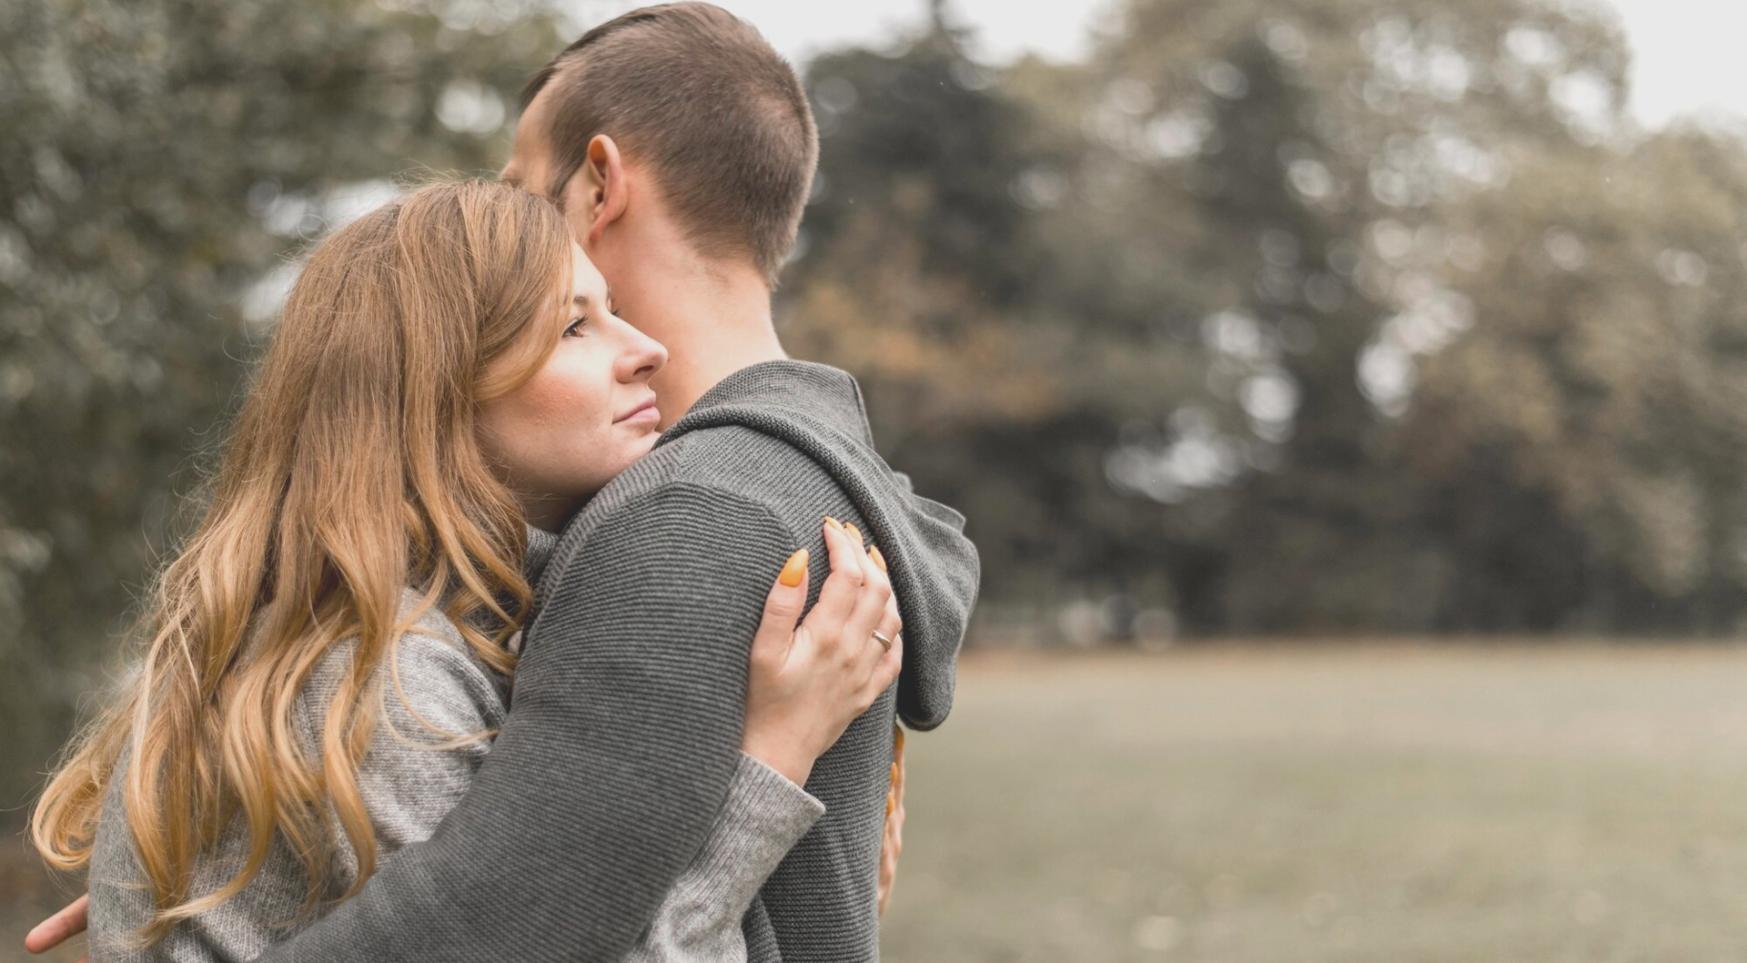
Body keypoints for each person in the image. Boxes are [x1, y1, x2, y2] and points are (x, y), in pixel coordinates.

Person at [30, 3, 981, 960]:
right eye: (575, 325)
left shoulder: (689, 515)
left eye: (525, 188)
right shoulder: (393, 663)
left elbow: (496, 924)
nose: (640, 350)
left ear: (600, 181)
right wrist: (196, 866)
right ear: (436, 383)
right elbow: (499, 920)